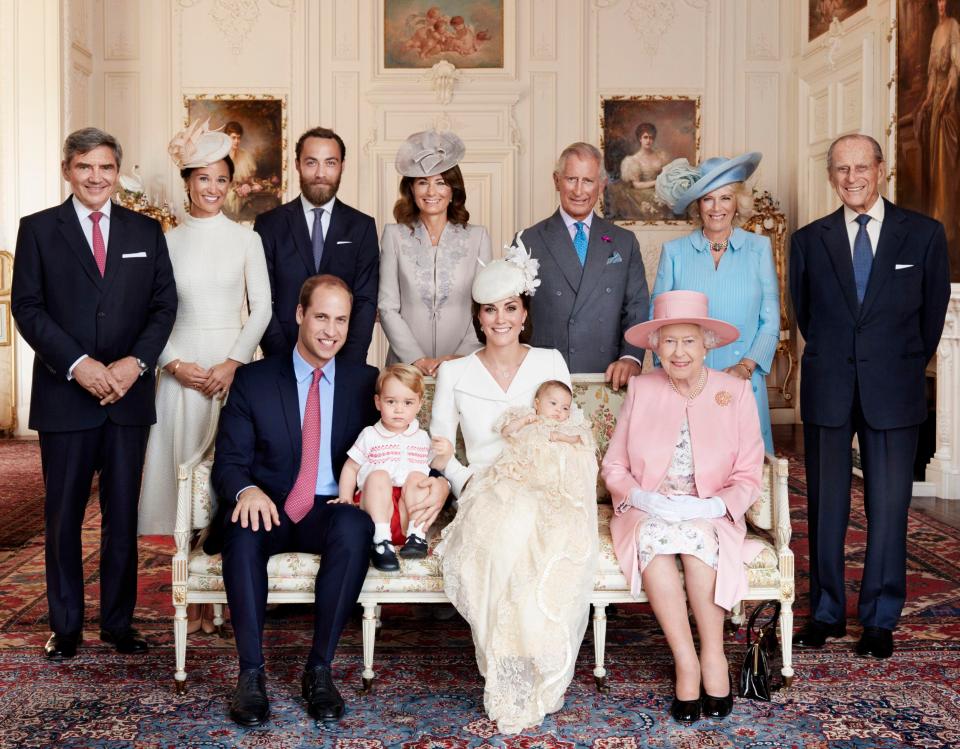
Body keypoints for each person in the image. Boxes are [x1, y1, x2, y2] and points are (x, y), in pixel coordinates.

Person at [208, 274, 449, 727]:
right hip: (271, 504)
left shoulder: (366, 383)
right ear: (300, 315)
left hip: (331, 505)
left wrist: (438, 481)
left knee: (356, 528)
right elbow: (229, 462)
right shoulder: (255, 381)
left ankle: (319, 669)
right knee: (240, 528)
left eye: (341, 320)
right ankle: (251, 673)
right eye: (321, 316)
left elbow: (404, 443)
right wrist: (248, 490)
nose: (331, 330)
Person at [11, 127, 178, 660]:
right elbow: (28, 308)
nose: (96, 177)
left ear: (117, 171)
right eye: (85, 166)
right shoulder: (37, 230)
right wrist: (79, 366)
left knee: (122, 515)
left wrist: (135, 364)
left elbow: (164, 307)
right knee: (62, 517)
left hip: (127, 398)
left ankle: (117, 623)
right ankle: (65, 627)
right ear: (67, 170)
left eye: (105, 167)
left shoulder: (146, 232)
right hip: (66, 397)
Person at [789, 134, 951, 659]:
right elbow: (807, 315)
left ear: (880, 170)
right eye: (841, 169)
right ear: (831, 176)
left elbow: (929, 321)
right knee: (826, 507)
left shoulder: (924, 236)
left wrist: (892, 364)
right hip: (829, 387)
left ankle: (880, 618)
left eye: (862, 167)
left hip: (894, 390)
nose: (852, 177)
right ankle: (827, 612)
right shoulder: (809, 240)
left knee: (889, 507)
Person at [430, 247, 597, 734]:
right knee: (502, 536)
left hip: (547, 486)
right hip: (487, 488)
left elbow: (574, 431)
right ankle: (508, 666)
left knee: (541, 532)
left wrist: (560, 486)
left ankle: (537, 662)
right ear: (478, 317)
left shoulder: (549, 360)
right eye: (489, 309)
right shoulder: (455, 372)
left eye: (510, 307)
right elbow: (438, 449)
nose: (499, 318)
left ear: (524, 313)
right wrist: (467, 480)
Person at [601, 290, 764, 723]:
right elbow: (614, 465)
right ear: (654, 346)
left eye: (689, 341)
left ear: (707, 342)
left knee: (696, 544)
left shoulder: (735, 391)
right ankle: (686, 661)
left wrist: (715, 506)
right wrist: (641, 496)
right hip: (649, 506)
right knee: (653, 539)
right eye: (668, 341)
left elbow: (750, 473)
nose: (678, 352)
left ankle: (714, 657)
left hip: (711, 509)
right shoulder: (641, 388)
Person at [138, 121, 272, 632]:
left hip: (231, 371)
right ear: (187, 181)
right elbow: (154, 312)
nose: (212, 189)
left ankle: (227, 587)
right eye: (203, 179)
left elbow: (261, 309)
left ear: (230, 184)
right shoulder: (165, 242)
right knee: (181, 477)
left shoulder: (246, 240)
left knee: (228, 475)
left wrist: (232, 363)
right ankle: (190, 599)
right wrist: (174, 364)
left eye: (221, 179)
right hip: (180, 370)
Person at [652, 151, 779, 452]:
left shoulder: (759, 249)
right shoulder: (674, 253)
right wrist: (676, 371)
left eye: (725, 198)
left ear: (738, 203)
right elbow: (657, 324)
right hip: (687, 380)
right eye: (708, 198)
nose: (717, 208)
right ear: (698, 205)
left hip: (744, 379)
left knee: (746, 473)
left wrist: (746, 368)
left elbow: (770, 318)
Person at [517, 142, 649, 388]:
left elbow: (637, 307)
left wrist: (631, 358)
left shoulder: (624, 242)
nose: (579, 190)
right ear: (557, 181)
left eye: (588, 181)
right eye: (571, 179)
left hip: (608, 379)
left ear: (602, 184)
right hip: (543, 379)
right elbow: (512, 312)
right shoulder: (527, 240)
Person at [255, 127, 379, 363]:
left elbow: (366, 301)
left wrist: (349, 363)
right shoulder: (269, 225)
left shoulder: (362, 227)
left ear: (342, 166)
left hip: (343, 361)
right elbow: (261, 299)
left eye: (330, 163)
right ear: (297, 165)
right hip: (281, 359)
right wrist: (282, 359)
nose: (320, 173)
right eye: (311, 162)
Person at [378, 130, 491, 375]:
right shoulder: (394, 235)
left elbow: (484, 306)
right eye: (422, 182)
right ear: (411, 189)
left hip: (463, 365)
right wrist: (417, 359)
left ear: (453, 190)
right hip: (405, 368)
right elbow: (387, 307)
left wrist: (459, 358)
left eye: (440, 182)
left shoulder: (477, 237)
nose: (431, 192)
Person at [334, 364, 440, 570]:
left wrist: (444, 453)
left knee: (419, 478)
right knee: (378, 475)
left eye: (408, 403)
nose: (399, 409)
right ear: (378, 402)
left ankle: (416, 538)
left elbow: (435, 468)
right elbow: (350, 467)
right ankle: (381, 542)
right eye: (391, 402)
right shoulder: (370, 435)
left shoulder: (422, 437)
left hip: (409, 514)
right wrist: (345, 497)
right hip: (376, 509)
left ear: (419, 405)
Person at [914, 0, 960, 273]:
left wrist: (944, 99)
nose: (940, 5)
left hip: (949, 103)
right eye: (937, 1)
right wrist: (928, 100)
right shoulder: (935, 32)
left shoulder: (954, 27)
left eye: (944, 0)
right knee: (933, 169)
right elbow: (932, 73)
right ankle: (936, 220)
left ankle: (948, 224)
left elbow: (955, 68)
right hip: (937, 104)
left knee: (946, 167)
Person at [606, 122, 672, 221]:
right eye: (645, 137)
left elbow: (667, 174)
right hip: (642, 193)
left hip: (660, 190)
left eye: (651, 137)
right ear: (640, 139)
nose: (648, 140)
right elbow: (636, 185)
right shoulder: (633, 160)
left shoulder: (660, 156)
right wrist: (657, 182)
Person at [221, 121, 258, 219]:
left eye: (238, 138)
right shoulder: (221, 157)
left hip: (243, 197)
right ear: (227, 138)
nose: (236, 141)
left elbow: (251, 180)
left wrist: (249, 185)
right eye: (233, 138)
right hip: (224, 196)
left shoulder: (246, 156)